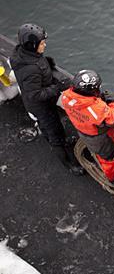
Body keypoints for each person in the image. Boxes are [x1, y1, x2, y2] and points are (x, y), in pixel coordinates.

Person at [9, 23, 83, 175]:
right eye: (42, 43)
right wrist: (57, 88)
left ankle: (54, 138)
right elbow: (35, 94)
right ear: (33, 45)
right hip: (41, 107)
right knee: (54, 133)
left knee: (50, 128)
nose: (45, 44)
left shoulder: (22, 54)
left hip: (37, 106)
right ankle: (68, 164)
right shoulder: (31, 70)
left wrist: (48, 64)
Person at [61, 70, 114, 182]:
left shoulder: (66, 97)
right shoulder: (96, 109)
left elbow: (84, 106)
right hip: (101, 139)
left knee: (100, 152)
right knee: (109, 158)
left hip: (83, 132)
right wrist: (112, 102)